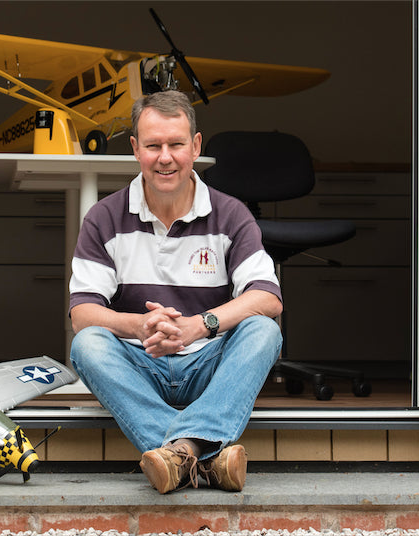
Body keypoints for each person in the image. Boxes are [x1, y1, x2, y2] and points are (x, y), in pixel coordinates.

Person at [68, 90, 283, 494]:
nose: (165, 157)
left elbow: (268, 296)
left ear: (195, 146)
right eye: (153, 146)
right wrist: (139, 324)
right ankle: (207, 456)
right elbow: (82, 312)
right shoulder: (104, 217)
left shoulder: (231, 214)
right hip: (141, 363)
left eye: (176, 144)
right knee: (88, 343)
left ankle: (178, 455)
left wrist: (201, 326)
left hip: (209, 363)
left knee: (264, 331)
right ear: (135, 149)